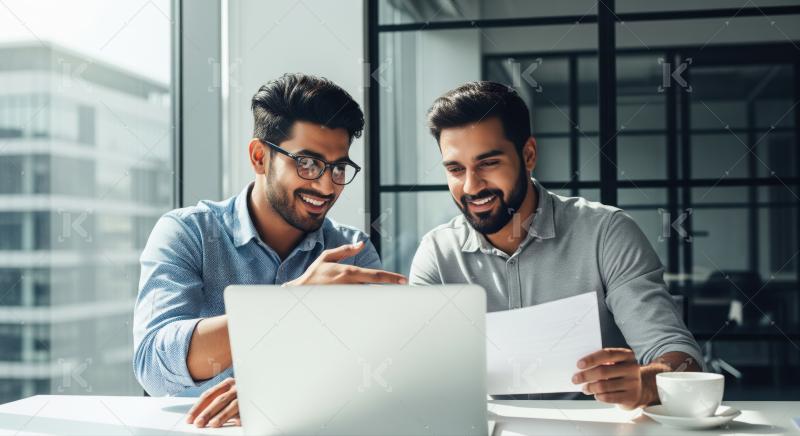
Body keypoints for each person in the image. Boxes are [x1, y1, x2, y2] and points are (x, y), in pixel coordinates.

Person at [132, 73, 406, 428]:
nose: (326, 185)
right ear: (260, 157)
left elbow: (379, 375)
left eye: (339, 168)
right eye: (307, 163)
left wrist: (273, 396)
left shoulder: (351, 252)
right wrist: (292, 302)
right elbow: (153, 366)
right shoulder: (188, 233)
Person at [409, 81, 704, 409]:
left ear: (529, 155)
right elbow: (417, 375)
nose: (471, 185)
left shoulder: (606, 233)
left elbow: (683, 360)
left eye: (488, 163)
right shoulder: (437, 254)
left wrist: (648, 383)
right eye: (455, 169)